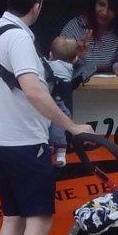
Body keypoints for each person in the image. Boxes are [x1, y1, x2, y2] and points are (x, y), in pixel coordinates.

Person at [0, 0, 92, 235]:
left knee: (13, 218)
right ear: (37, 6)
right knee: (39, 219)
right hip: (26, 142)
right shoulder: (19, 38)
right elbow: (34, 91)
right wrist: (72, 127)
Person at [60, 0, 118, 79]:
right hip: (77, 85)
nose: (105, 12)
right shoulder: (74, 28)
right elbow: (58, 67)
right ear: (93, 2)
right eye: (101, 4)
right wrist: (76, 56)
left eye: (112, 8)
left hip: (109, 85)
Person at [46, 36, 83, 167]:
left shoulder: (46, 66)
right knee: (59, 129)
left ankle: (48, 150)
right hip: (63, 106)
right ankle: (61, 155)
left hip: (46, 104)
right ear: (74, 59)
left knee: (46, 128)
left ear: (50, 54)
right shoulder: (71, 70)